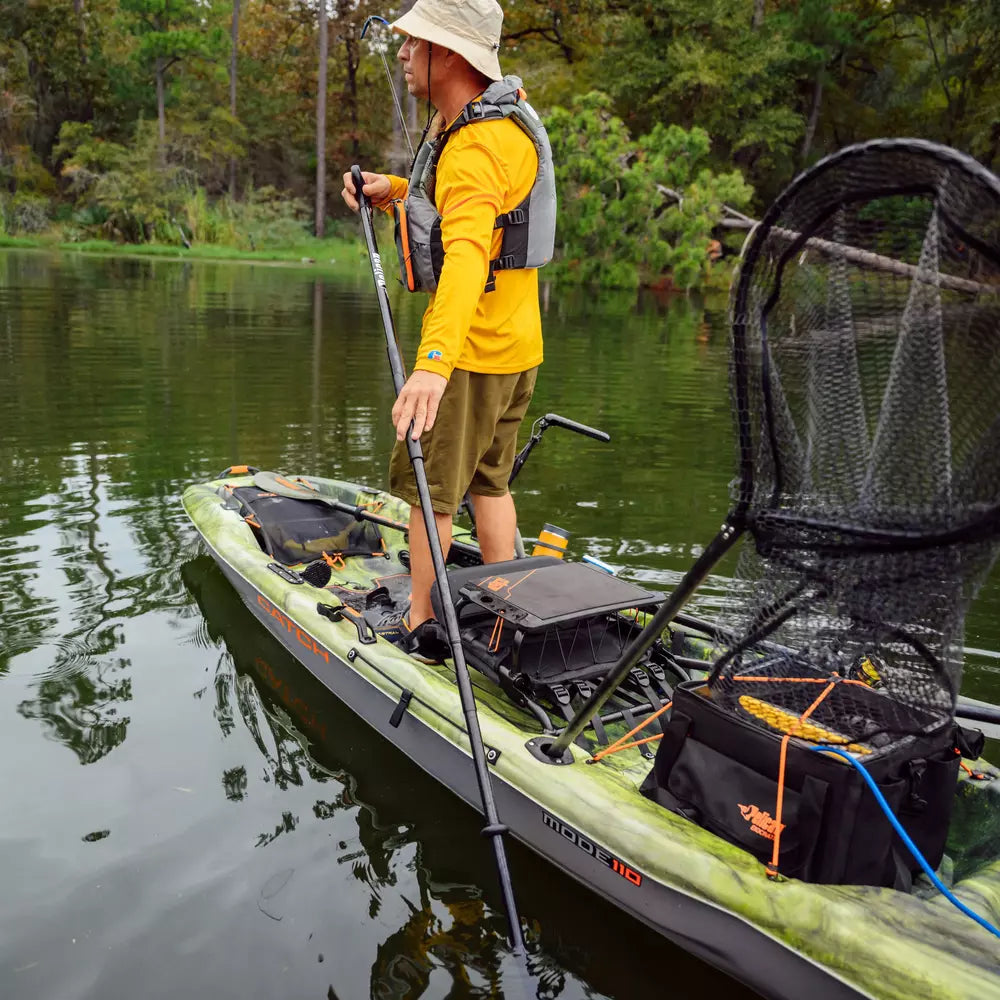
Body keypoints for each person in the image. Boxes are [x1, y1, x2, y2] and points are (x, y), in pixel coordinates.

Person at [341, 0, 555, 660]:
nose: (403, 52)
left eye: (415, 42)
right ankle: (509, 618)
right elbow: (472, 213)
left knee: (428, 494)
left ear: (451, 57)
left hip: (471, 354)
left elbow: (464, 256)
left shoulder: (475, 147)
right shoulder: (492, 125)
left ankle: (420, 624)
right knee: (490, 483)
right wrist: (397, 191)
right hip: (518, 350)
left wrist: (433, 363)